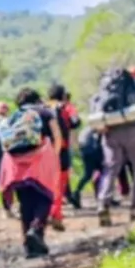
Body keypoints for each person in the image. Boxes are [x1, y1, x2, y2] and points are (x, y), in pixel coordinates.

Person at [0, 89, 63, 258]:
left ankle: (29, 247)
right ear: (37, 99)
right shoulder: (45, 112)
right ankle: (36, 229)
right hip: (40, 160)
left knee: (25, 203)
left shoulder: (14, 116)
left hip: (16, 164)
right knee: (45, 197)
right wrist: (54, 156)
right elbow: (58, 137)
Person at [89, 65, 135, 226]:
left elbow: (94, 105)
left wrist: (99, 129)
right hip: (134, 131)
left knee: (110, 169)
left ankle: (103, 204)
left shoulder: (105, 87)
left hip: (110, 131)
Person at [46, 85, 81, 226]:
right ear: (63, 95)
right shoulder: (64, 108)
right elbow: (75, 122)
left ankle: (44, 211)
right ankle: (55, 213)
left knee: (46, 182)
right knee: (59, 182)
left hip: (43, 151)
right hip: (61, 150)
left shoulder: (42, 107)